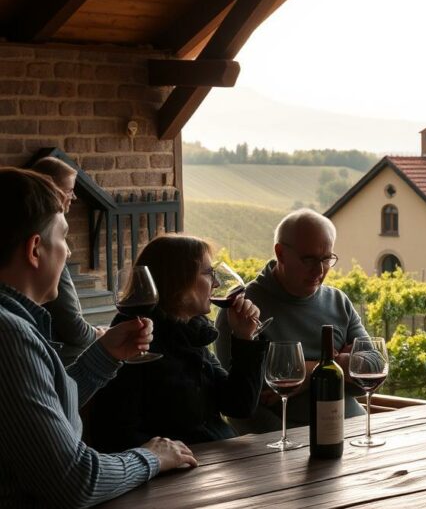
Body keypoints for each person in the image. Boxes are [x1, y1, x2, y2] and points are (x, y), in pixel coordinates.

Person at [0, 167, 196, 507]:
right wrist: (152, 457)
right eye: (63, 237)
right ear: (35, 249)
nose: (68, 252)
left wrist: (104, 356)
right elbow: (74, 481)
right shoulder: (10, 335)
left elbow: (42, 414)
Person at [90, 235, 268, 450]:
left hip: (215, 456)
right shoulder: (133, 339)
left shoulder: (192, 332)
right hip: (177, 465)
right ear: (178, 280)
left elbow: (239, 406)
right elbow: (115, 434)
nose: (217, 283)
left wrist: (244, 338)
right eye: (208, 273)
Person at [216, 208, 369, 434]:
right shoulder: (241, 311)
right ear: (280, 253)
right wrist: (338, 364)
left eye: (326, 259)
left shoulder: (338, 301)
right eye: (309, 259)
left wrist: (308, 372)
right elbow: (241, 407)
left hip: (354, 430)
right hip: (290, 442)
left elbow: (372, 366)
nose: (319, 270)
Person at [32, 156, 104, 365]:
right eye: (69, 190)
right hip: (62, 362)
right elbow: (75, 330)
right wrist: (101, 335)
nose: (74, 197)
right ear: (51, 189)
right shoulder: (49, 251)